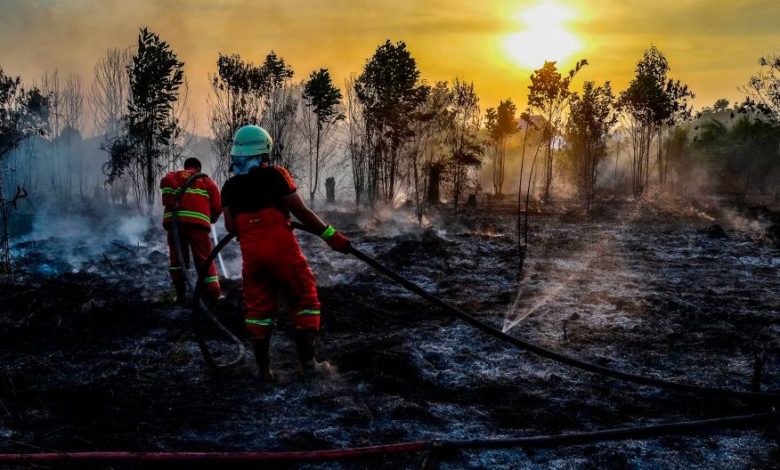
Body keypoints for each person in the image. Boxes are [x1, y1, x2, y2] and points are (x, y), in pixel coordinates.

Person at [221, 125, 349, 381]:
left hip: (253, 258)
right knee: (304, 297)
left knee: (258, 309)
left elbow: (230, 226)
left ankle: (264, 371)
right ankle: (308, 365)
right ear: (264, 151)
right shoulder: (276, 176)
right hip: (282, 251)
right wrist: (331, 237)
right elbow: (300, 211)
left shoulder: (230, 187)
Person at [160, 157, 222, 303]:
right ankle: (214, 294)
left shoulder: (173, 175)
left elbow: (165, 186)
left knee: (177, 259)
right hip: (197, 225)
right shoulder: (206, 181)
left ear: (186, 167)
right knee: (204, 259)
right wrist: (211, 218)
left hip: (175, 223)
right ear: (198, 169)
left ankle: (180, 293)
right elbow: (218, 206)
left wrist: (172, 201)